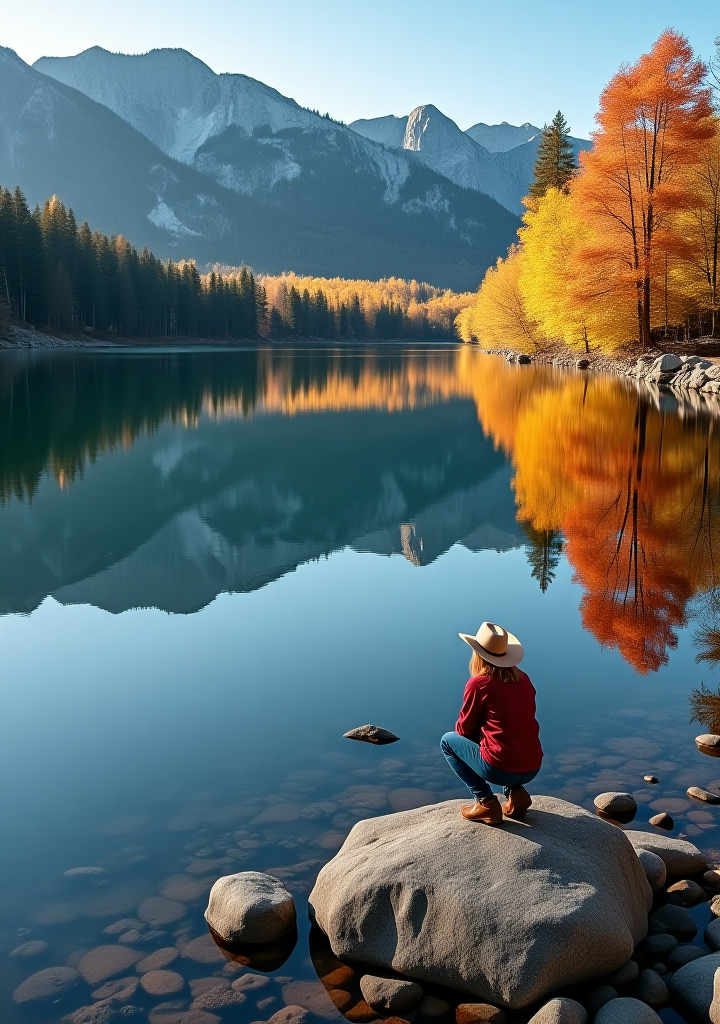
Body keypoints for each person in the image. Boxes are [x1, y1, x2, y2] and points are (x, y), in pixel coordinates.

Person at [440, 621, 542, 825]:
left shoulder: (479, 684)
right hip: (532, 765)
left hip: (500, 768)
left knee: (448, 742)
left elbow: (463, 729)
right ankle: (516, 795)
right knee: (508, 735)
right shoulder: (524, 679)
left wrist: (479, 733)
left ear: (478, 655)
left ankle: (485, 802)